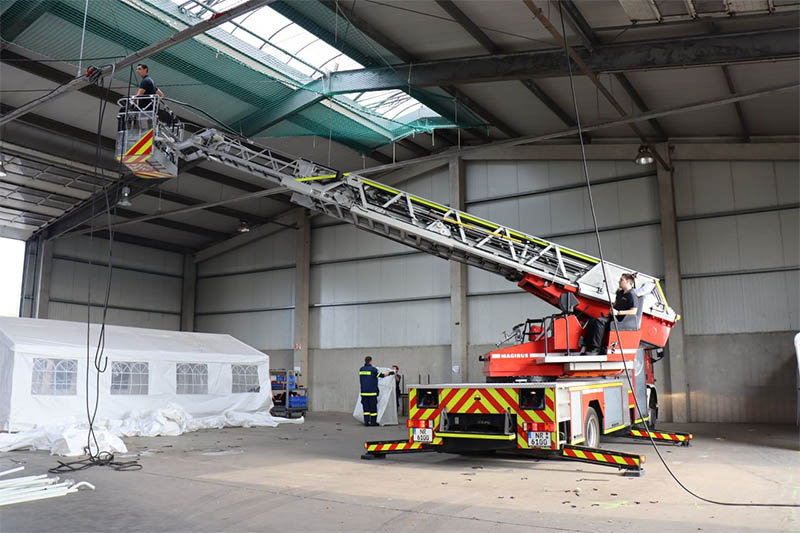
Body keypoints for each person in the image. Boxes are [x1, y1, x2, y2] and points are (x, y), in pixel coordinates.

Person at [581, 273, 639, 355]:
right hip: (612, 317)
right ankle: (588, 347)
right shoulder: (620, 293)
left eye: (621, 280)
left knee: (599, 322)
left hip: (620, 321)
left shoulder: (632, 295)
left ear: (628, 281)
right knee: (592, 321)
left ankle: (595, 349)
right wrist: (611, 311)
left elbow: (634, 311)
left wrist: (618, 312)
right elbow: (615, 304)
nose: (619, 281)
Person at [358, 356, 394, 426]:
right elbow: (382, 375)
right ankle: (373, 422)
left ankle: (366, 422)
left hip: (364, 392)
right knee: (373, 408)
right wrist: (390, 373)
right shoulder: (373, 369)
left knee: (366, 408)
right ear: (371, 361)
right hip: (372, 393)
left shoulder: (361, 369)